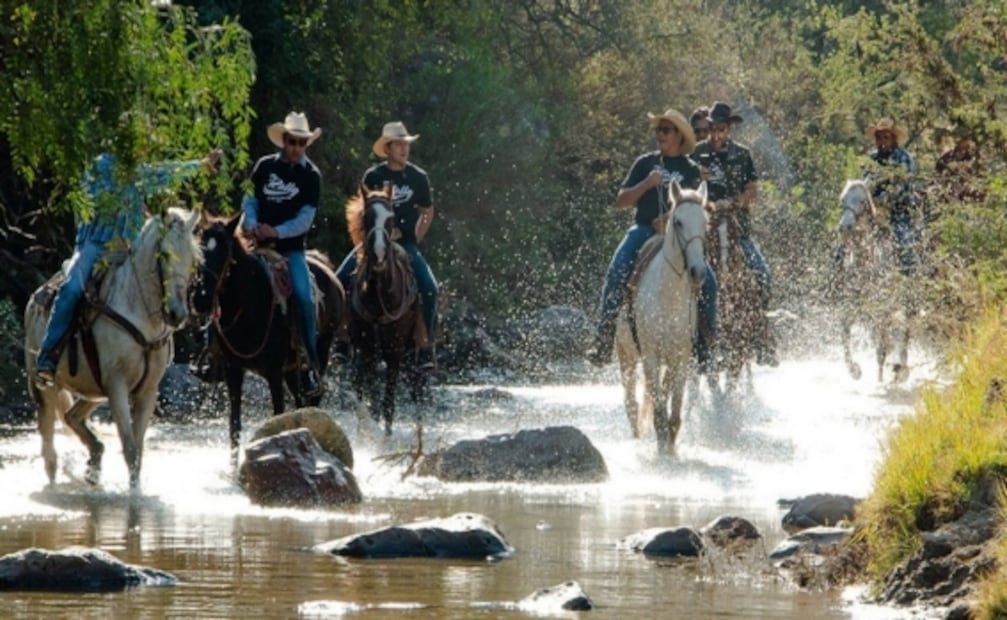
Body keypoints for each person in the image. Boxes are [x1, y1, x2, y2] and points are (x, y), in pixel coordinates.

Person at [35, 124, 221, 387]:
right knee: (72, 289)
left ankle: (154, 361)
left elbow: (168, 171)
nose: (142, 147)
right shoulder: (100, 167)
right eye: (138, 142)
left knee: (160, 280)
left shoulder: (140, 171)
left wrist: (201, 165)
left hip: (130, 249)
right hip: (96, 246)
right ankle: (49, 357)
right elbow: (87, 206)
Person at [585, 108, 719, 370]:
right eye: (658, 130)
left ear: (679, 136)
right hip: (645, 229)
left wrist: (672, 219)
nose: (660, 135)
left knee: (709, 281)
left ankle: (706, 347)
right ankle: (604, 338)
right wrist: (646, 184)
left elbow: (692, 209)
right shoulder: (645, 163)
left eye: (666, 130)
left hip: (677, 236)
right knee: (617, 269)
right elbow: (622, 201)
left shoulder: (690, 169)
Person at [336, 121, 438, 369]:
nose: (405, 149)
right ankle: (342, 339)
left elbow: (428, 212)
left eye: (406, 145)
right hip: (372, 244)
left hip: (405, 243)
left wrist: (415, 237)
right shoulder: (373, 176)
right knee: (338, 279)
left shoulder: (418, 177)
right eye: (399, 145)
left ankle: (426, 346)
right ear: (388, 148)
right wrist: (367, 241)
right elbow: (362, 214)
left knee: (430, 287)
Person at [240, 111, 325, 397]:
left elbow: (305, 219)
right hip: (257, 246)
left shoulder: (311, 176)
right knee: (227, 282)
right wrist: (252, 226)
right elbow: (249, 201)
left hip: (291, 250)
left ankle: (309, 362)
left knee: (302, 295)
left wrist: (275, 232)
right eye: (292, 142)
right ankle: (215, 349)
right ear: (283, 140)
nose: (296, 148)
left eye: (301, 143)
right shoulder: (264, 167)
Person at [692, 101, 778, 367]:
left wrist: (736, 202)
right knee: (690, 274)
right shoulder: (697, 154)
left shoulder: (743, 154)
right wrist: (707, 203)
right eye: (713, 129)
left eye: (722, 129)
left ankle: (760, 335)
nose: (717, 134)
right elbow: (688, 189)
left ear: (729, 129)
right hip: (705, 228)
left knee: (762, 274)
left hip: (738, 229)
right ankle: (695, 338)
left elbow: (753, 190)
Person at [864, 117, 920, 275]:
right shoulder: (872, 158)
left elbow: (902, 184)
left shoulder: (903, 157)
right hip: (874, 211)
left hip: (900, 210)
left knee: (904, 242)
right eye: (879, 137)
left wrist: (886, 197)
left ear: (893, 139)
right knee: (844, 240)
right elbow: (866, 179)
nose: (882, 141)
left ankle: (909, 275)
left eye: (886, 137)